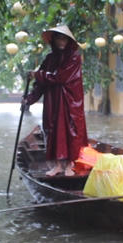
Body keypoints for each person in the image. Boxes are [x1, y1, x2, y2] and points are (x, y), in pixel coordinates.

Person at [22, 24, 89, 177]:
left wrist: (37, 74)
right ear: (54, 40)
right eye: (59, 38)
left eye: (64, 38)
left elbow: (60, 77)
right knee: (53, 131)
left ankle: (70, 165)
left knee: (70, 132)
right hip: (53, 103)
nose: (61, 41)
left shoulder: (74, 58)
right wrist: (29, 99)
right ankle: (58, 165)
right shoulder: (49, 59)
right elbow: (40, 84)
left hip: (70, 103)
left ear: (69, 41)